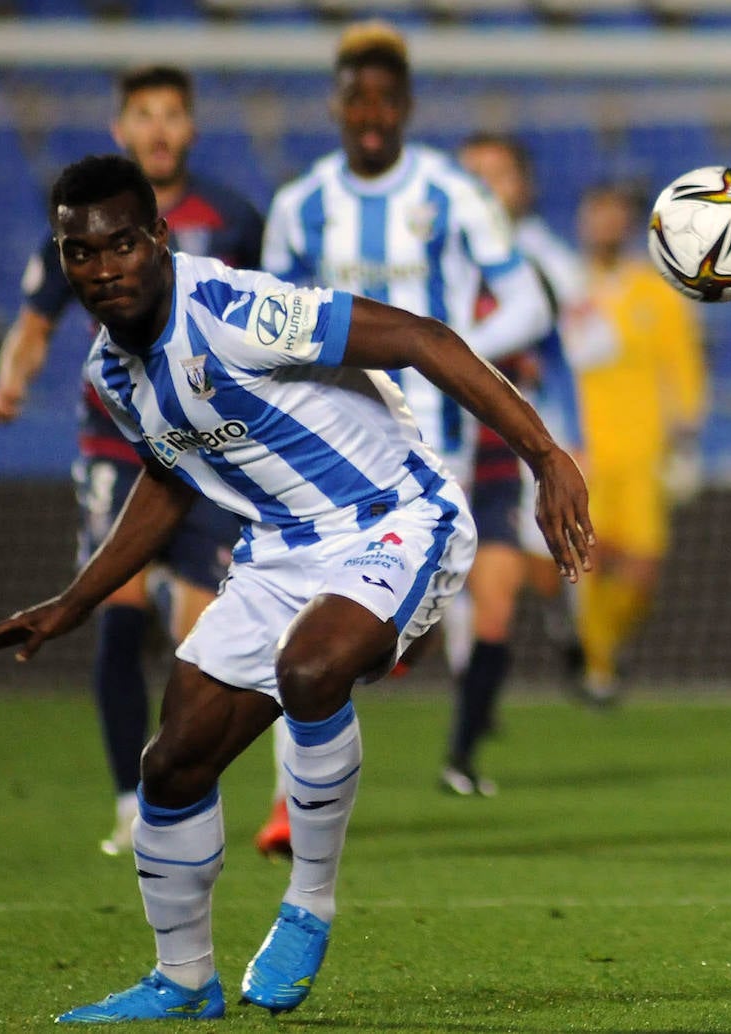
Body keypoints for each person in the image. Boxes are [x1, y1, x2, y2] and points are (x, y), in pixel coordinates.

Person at [0, 154, 591, 1023]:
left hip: (393, 516)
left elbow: (419, 337)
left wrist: (546, 456)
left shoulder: (230, 309)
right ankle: (183, 981)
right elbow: (172, 476)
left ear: (159, 240)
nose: (102, 269)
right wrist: (75, 600)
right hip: (279, 551)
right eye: (79, 253)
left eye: (121, 245)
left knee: (311, 670)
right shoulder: (111, 373)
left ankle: (310, 903)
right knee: (171, 764)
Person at [0, 64, 273, 859]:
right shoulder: (75, 229)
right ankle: (128, 803)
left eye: (172, 113)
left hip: (207, 446)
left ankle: (182, 787)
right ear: (122, 128)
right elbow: (36, 319)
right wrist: (11, 379)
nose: (158, 128)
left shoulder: (235, 218)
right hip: (116, 440)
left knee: (203, 638)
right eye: (143, 114)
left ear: (191, 128)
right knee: (117, 609)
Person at [261, 21, 552, 795]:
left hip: (436, 442)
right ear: (336, 105)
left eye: (386, 101)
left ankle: (454, 750)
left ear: (408, 107)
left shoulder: (453, 195)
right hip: (325, 444)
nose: (371, 115)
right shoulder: (300, 206)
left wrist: (448, 353)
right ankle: (292, 797)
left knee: (427, 619)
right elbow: (266, 316)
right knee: (305, 618)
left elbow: (527, 302)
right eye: (357, 99)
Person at [446, 132, 610, 793]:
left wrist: (572, 441)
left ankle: (461, 755)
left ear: (523, 186)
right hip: (421, 438)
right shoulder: (427, 253)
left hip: (498, 443)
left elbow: (570, 354)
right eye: (473, 175)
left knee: (496, 596)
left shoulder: (539, 264)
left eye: (499, 175)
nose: (486, 189)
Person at [571, 181, 706, 704]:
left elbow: (684, 366)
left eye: (612, 216)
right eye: (595, 215)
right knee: (590, 558)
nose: (603, 226)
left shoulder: (655, 292)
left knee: (643, 567)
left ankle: (605, 644)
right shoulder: (566, 287)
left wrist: (688, 440)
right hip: (583, 450)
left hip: (646, 450)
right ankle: (598, 670)